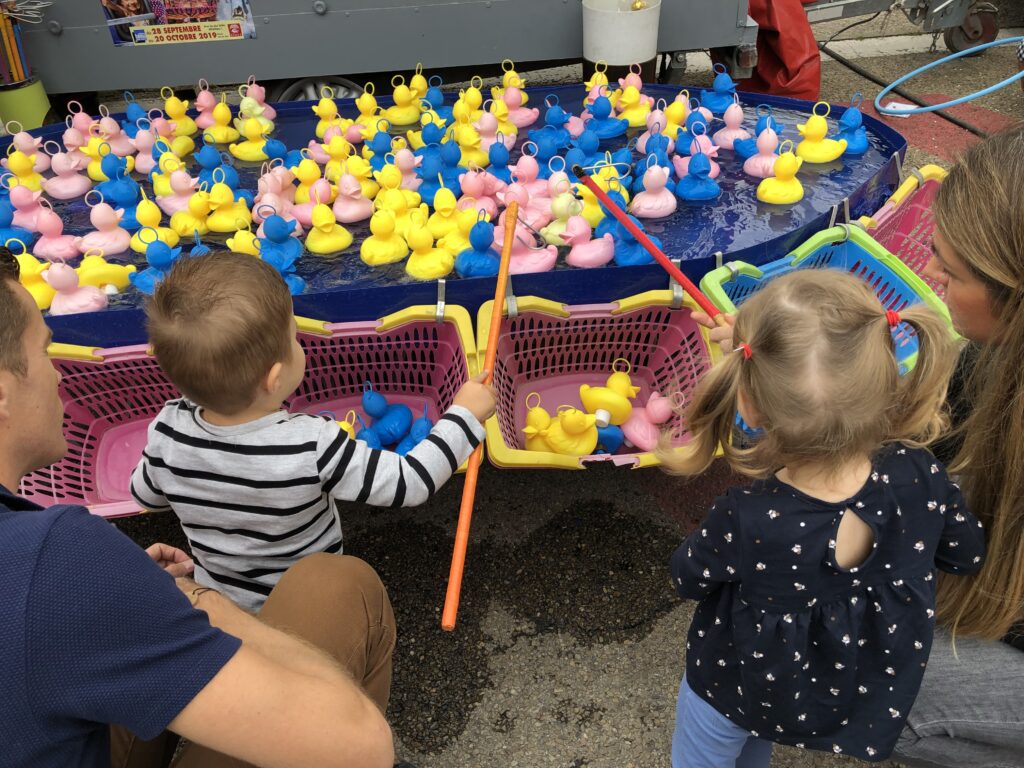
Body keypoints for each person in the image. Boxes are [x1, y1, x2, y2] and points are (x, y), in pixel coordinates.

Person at [0, 245, 396, 767]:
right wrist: (189, 598)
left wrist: (120, 594)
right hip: (243, 605)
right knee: (340, 584)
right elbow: (359, 746)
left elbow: (144, 493)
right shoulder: (56, 557)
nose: (59, 376)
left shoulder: (167, 427)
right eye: (45, 350)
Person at [665, 269, 984, 767]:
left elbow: (687, 576)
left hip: (734, 682)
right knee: (757, 734)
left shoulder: (746, 515)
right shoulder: (920, 472)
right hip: (830, 688)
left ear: (746, 401)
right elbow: (966, 553)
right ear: (885, 381)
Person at [129, 253, 494, 612]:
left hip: (223, 600)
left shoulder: (167, 430)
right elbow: (409, 481)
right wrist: (464, 416)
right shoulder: (310, 444)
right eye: (294, 338)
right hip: (307, 601)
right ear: (274, 380)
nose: (299, 343)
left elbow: (146, 494)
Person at [891, 123, 1024, 767]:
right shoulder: (994, 357)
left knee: (860, 684)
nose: (928, 270)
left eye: (949, 265)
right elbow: (927, 441)